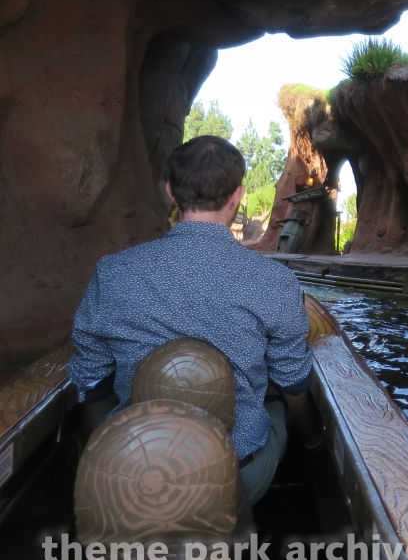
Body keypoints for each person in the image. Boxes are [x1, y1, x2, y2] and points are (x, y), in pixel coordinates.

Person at [68, 135, 319, 503]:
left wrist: (103, 448)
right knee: (277, 402)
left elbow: (91, 380)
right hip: (236, 478)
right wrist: (313, 441)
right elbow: (294, 381)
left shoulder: (113, 273)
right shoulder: (274, 281)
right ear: (237, 197)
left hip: (134, 474)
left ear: (171, 192)